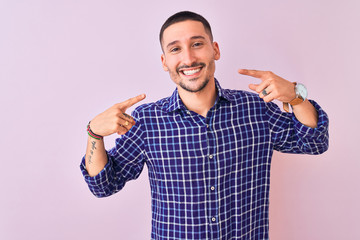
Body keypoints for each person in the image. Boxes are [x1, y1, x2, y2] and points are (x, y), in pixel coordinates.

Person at [80, 11, 329, 240]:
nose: (188, 58)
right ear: (165, 61)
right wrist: (94, 133)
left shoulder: (256, 109)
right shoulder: (148, 121)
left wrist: (296, 96)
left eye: (197, 44)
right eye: (176, 49)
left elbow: (315, 142)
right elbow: (103, 185)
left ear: (215, 50)